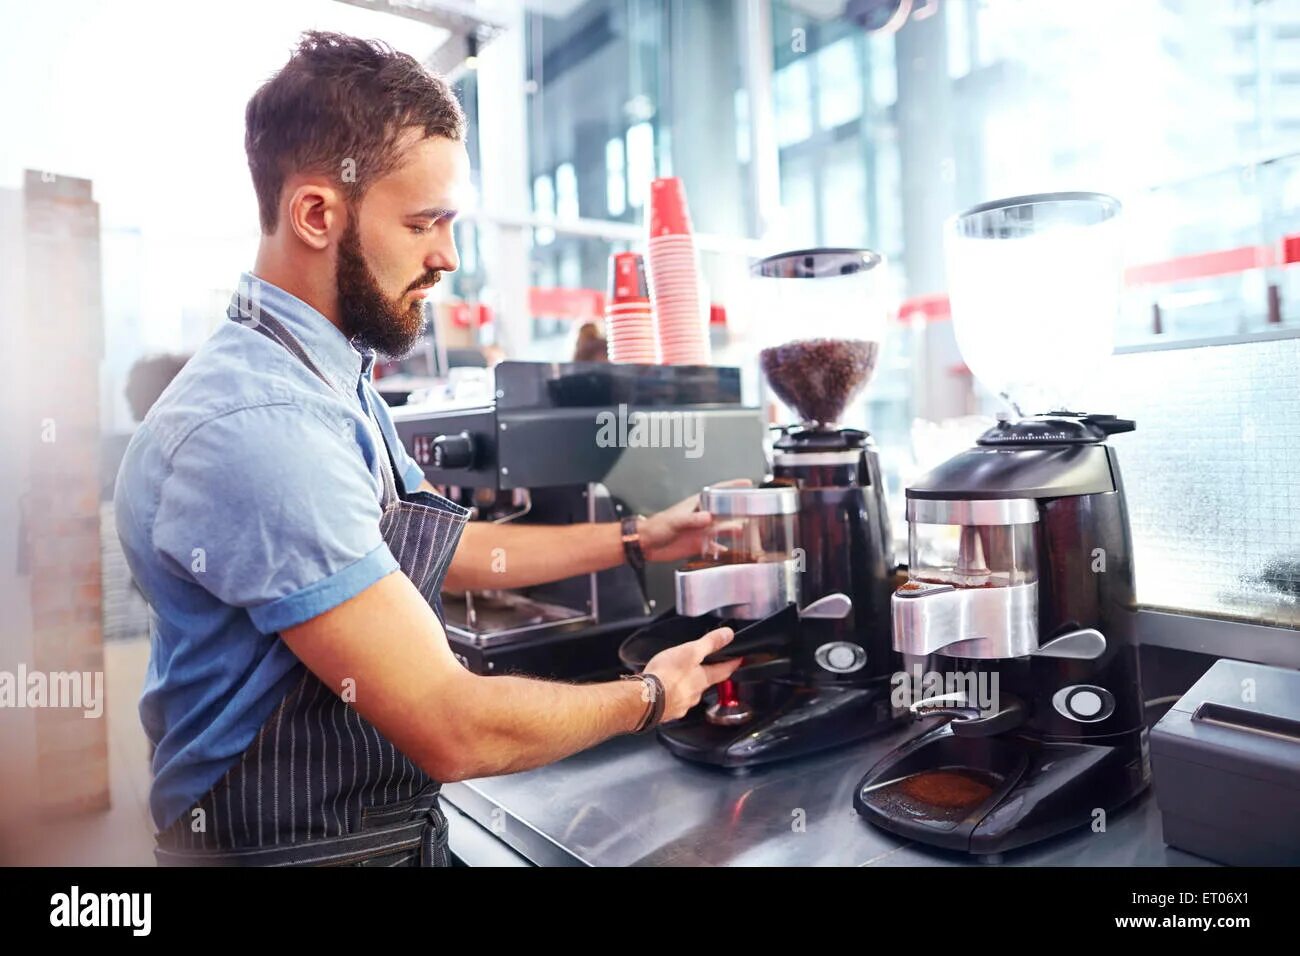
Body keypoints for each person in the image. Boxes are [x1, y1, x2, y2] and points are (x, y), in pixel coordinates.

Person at [114, 31, 742, 867]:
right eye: (423, 223)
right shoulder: (260, 425)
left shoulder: (328, 374)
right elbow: (454, 726)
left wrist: (636, 537)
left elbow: (446, 549)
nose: (447, 256)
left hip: (386, 836)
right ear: (315, 214)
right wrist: (655, 695)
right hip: (305, 854)